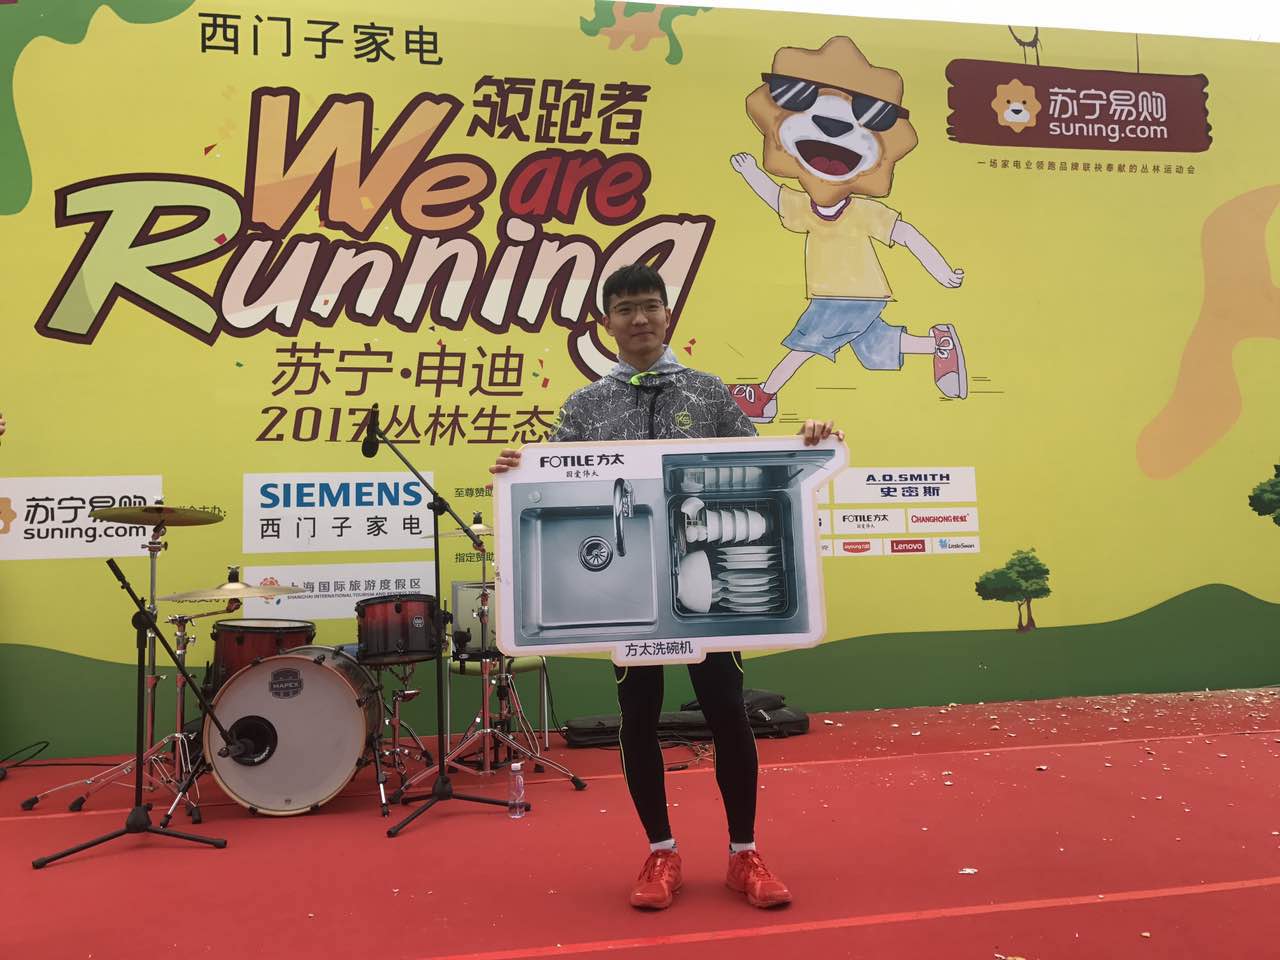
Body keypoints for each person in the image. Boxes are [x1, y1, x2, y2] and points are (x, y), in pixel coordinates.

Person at [490, 263, 843, 911]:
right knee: (638, 715)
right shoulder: (585, 405)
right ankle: (661, 851)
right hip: (623, 590)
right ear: (607, 323)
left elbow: (756, 468)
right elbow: (553, 480)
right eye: (625, 309)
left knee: (727, 710)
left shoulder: (709, 393)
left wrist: (809, 443)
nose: (640, 319)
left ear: (667, 314)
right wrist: (520, 468)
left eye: (650, 306)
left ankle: (744, 853)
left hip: (710, 584)